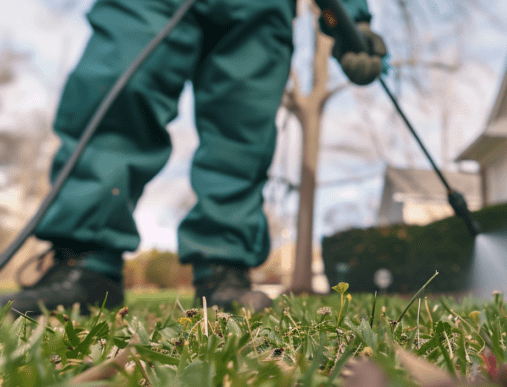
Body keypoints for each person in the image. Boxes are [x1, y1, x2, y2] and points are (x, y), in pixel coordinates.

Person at [0, 0, 386, 314]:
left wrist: (353, 19)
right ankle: (83, 263)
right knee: (116, 94)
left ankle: (224, 267)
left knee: (242, 132)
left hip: (259, 8)